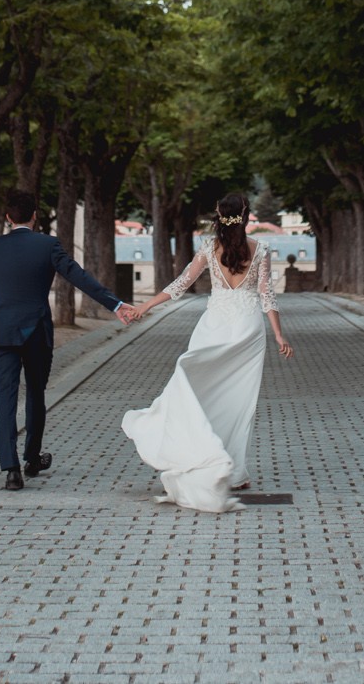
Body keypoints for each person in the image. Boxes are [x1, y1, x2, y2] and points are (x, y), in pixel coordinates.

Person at [120, 192, 294, 512]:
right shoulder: (261, 249)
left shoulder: (208, 248)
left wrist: (145, 306)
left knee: (198, 389)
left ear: (219, 216)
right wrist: (279, 334)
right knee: (240, 404)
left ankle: (204, 454)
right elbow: (266, 295)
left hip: (213, 326)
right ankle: (235, 472)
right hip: (248, 329)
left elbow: (180, 284)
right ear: (246, 216)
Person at [0, 188, 137, 491]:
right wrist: (115, 304)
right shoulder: (47, 245)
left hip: (3, 331)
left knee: (5, 399)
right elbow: (78, 276)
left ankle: (11, 470)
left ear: (8, 218)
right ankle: (32, 458)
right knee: (36, 394)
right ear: (34, 216)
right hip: (36, 331)